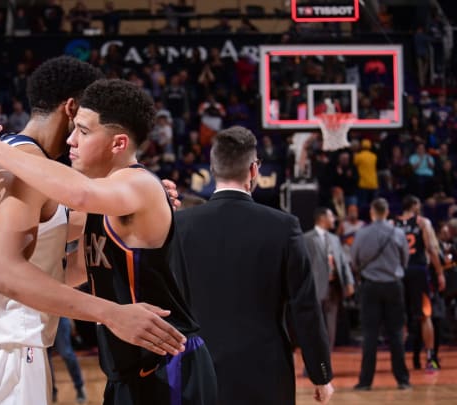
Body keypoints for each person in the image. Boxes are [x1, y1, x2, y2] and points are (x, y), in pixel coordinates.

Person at [0, 78, 217, 404]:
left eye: (83, 131)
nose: (71, 139)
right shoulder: (105, 199)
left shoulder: (137, 184)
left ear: (118, 143)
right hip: (126, 366)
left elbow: (80, 193)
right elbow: (73, 275)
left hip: (168, 361)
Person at [164, 126, 334, 404]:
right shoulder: (284, 226)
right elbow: (304, 308)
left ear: (213, 167)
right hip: (266, 372)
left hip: (199, 369)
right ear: (254, 170)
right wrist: (320, 373)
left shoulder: (180, 226)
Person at [351, 198, 411, 390]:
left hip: (371, 287)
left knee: (370, 336)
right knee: (396, 334)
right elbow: (405, 260)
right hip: (393, 286)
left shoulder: (362, 233)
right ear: (386, 212)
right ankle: (403, 380)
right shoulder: (398, 233)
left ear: (372, 212)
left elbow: (355, 260)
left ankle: (365, 382)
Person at [395, 195, 445, 372]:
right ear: (415, 206)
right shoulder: (423, 222)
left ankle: (398, 361)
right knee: (425, 315)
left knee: (400, 319)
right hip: (418, 271)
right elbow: (431, 248)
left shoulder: (394, 224)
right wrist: (440, 273)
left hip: (399, 272)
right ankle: (431, 358)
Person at [304, 207, 355, 352]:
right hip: (314, 289)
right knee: (314, 328)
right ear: (322, 218)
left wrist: (349, 281)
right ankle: (313, 364)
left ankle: (326, 362)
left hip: (333, 288)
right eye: (331, 216)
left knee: (331, 328)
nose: (334, 219)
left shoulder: (334, 239)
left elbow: (343, 262)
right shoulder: (306, 238)